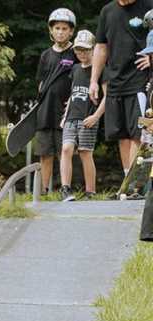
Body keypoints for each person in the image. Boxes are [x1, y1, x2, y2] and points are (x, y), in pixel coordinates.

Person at [90, 0, 153, 183]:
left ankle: (136, 183)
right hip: (115, 81)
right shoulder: (107, 11)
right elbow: (101, 47)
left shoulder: (149, 5)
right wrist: (94, 80)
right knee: (122, 134)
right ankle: (128, 183)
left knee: (138, 133)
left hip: (140, 79)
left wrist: (152, 58)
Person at [35, 9, 78, 196]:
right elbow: (40, 82)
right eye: (57, 28)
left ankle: (64, 188)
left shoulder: (76, 52)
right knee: (45, 153)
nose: (60, 32)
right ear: (51, 31)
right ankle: (44, 191)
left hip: (65, 111)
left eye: (64, 28)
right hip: (45, 111)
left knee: (65, 151)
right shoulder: (45, 55)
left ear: (71, 31)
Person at [59, 30, 105, 200]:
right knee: (66, 149)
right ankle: (65, 188)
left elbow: (107, 96)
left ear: (93, 49)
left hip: (89, 116)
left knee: (85, 151)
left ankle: (90, 191)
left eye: (85, 50)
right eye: (78, 50)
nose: (81, 54)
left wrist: (96, 117)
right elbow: (72, 93)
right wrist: (65, 116)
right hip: (71, 116)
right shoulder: (75, 68)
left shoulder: (99, 69)